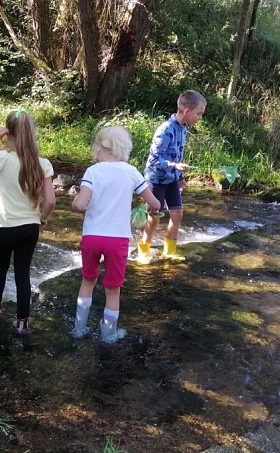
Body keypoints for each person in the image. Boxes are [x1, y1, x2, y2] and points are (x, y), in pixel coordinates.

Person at [0, 109, 56, 336]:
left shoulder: (3, 159)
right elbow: (51, 202)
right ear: (32, 133)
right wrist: (42, 219)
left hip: (5, 226)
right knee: (22, 273)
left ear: (9, 134)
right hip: (29, 227)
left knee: (0, 265)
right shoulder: (43, 164)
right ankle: (23, 322)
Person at [71, 126, 160, 343]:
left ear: (102, 147)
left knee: (88, 281)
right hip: (117, 240)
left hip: (92, 237)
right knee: (113, 289)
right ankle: (109, 335)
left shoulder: (93, 171)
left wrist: (75, 201)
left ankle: (79, 328)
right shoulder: (131, 172)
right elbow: (155, 203)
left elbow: (80, 205)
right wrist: (151, 209)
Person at [137, 90, 207, 263]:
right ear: (186, 112)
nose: (199, 118)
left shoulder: (183, 129)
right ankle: (143, 251)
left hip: (172, 179)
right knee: (154, 217)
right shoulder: (165, 130)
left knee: (177, 215)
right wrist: (174, 166)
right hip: (156, 180)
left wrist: (178, 174)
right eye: (198, 114)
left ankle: (169, 251)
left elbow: (176, 154)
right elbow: (154, 160)